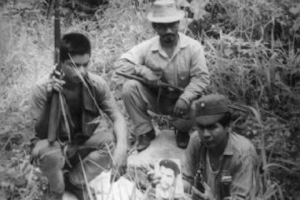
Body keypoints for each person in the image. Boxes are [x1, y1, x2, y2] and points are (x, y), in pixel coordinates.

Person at [29, 33, 128, 200]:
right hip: (52, 148)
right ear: (60, 63)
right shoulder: (41, 88)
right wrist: (49, 100)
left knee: (110, 141)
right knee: (48, 151)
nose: (81, 71)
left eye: (85, 65)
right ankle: (56, 191)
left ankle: (75, 182)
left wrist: (122, 148)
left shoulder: (96, 85)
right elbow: (41, 133)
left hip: (77, 144)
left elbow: (117, 117)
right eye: (73, 65)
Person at [116, 0, 210, 151]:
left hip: (182, 102)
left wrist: (185, 98)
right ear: (155, 27)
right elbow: (121, 64)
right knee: (129, 87)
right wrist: (145, 71)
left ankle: (182, 130)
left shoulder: (193, 47)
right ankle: (145, 132)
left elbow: (201, 77)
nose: (168, 31)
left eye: (172, 24)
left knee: (197, 104)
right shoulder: (147, 47)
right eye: (162, 26)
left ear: (179, 23)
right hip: (157, 98)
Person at [182, 94, 260, 200]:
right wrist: (167, 180)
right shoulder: (196, 140)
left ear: (228, 127)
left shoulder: (243, 153)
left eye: (212, 127)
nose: (205, 134)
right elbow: (187, 179)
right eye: (201, 127)